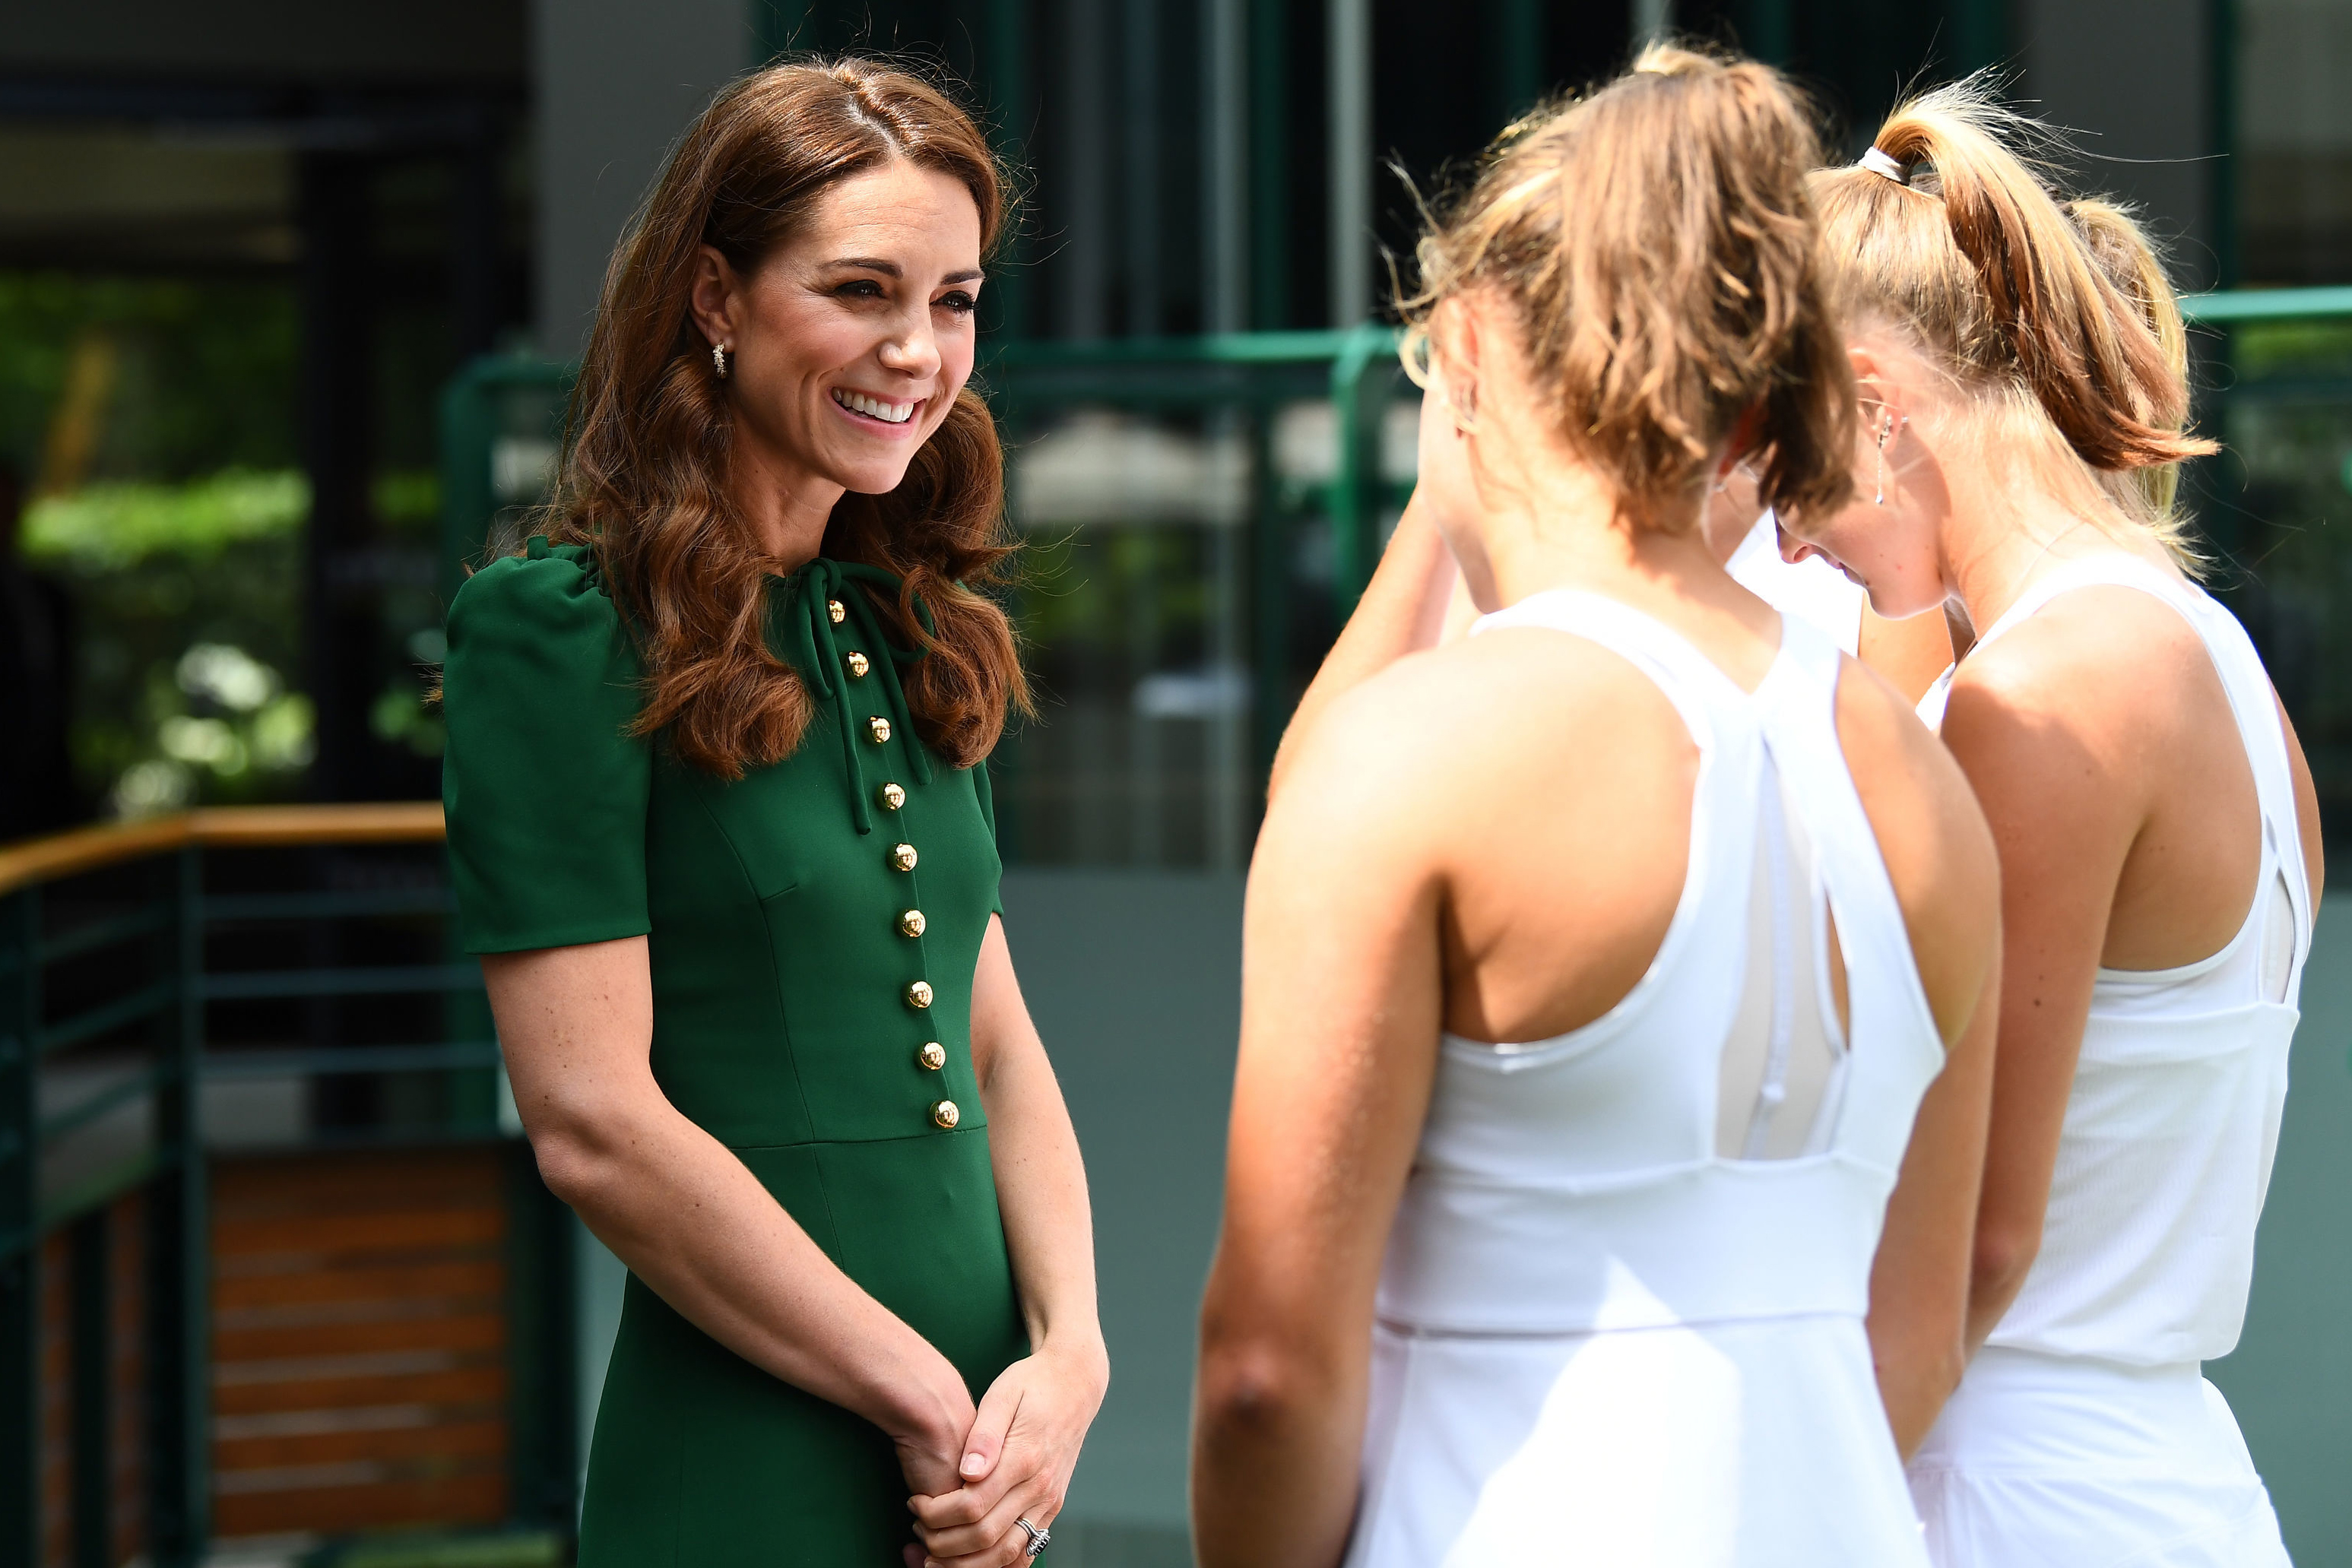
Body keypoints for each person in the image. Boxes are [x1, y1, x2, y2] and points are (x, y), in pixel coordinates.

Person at [1193, 47, 2002, 1567]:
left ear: (1475, 350)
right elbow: (1923, 1321)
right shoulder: (1922, 777)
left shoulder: (1413, 755)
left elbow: (1260, 1377)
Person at [439, 61, 1105, 1568]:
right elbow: (593, 1124)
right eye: (860, 289)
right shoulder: (556, 634)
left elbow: (995, 1048)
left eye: (953, 300)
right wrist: (922, 1399)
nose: (913, 351)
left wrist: (1070, 1363)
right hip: (753, 1464)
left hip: (979, 1475)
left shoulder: (913, 625)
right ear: (716, 297)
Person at [1786, 83, 2323, 1566]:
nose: (1785, 529)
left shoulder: (2046, 693)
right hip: (2144, 1478)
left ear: (1873, 398)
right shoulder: (2204, 656)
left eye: (1789, 449)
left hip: (1998, 1490)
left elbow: (1974, 1237)